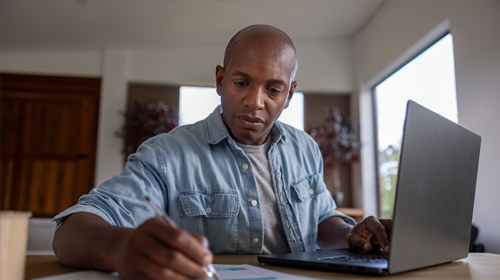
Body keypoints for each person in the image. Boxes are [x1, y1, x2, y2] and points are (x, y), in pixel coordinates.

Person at [52, 25, 391, 280]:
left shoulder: (304, 148)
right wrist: (121, 248)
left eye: (273, 89)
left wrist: (350, 234)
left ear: (289, 94)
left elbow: (321, 219)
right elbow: (70, 232)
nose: (255, 102)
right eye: (241, 83)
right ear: (220, 80)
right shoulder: (166, 154)